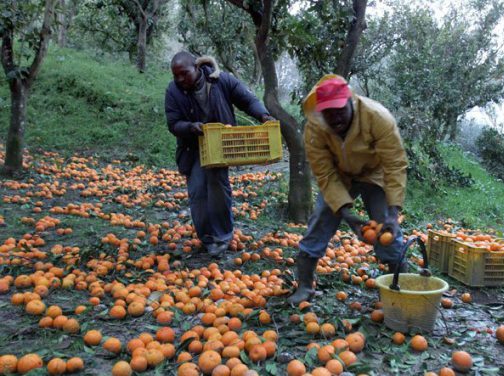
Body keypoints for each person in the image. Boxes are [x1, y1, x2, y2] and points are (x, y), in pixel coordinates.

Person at [288, 74, 408, 305]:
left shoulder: (377, 117)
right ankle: (304, 285)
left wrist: (393, 214)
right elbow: (324, 173)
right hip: (339, 175)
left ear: (350, 101)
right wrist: (346, 214)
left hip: (375, 173)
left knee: (386, 227)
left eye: (339, 109)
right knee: (321, 218)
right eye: (328, 112)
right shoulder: (315, 129)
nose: (334, 117)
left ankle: (398, 287)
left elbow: (394, 164)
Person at [164, 51, 274, 258]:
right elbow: (173, 123)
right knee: (197, 192)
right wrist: (190, 127)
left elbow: (247, 100)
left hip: (219, 145)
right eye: (175, 75)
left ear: (196, 68)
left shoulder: (220, 80)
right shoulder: (173, 91)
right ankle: (207, 239)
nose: (180, 79)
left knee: (217, 189)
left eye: (184, 74)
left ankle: (222, 237)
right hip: (193, 147)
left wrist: (263, 115)